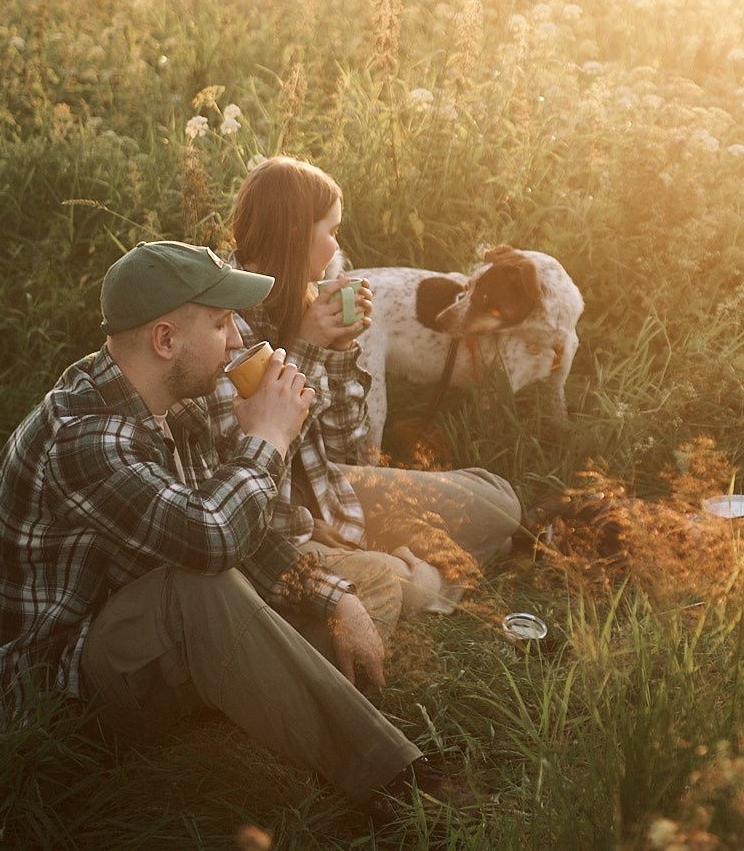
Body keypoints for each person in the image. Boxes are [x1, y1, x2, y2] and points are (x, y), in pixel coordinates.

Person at [0, 240, 433, 805]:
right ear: (165, 340)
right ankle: (392, 783)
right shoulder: (85, 439)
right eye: (221, 323)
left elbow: (238, 528)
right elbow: (211, 540)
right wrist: (266, 441)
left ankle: (265, 703)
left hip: (135, 630)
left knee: (366, 587)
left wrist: (336, 599)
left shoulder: (166, 401)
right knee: (200, 588)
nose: (238, 339)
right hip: (55, 690)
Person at [219, 156, 523, 634]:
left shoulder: (300, 294)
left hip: (330, 487)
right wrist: (307, 349)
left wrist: (340, 349)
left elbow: (344, 449)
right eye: (332, 230)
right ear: (298, 233)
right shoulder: (226, 323)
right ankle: (417, 571)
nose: (337, 244)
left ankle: (416, 558)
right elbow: (252, 474)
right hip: (276, 520)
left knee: (500, 501)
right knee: (410, 574)